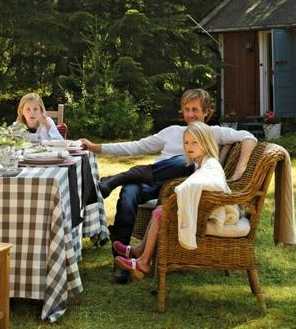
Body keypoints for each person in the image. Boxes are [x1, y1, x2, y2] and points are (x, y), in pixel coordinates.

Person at [81, 88, 257, 283]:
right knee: (129, 192)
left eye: (196, 110)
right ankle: (120, 263)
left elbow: (248, 137)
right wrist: (95, 147)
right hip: (150, 182)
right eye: (187, 109)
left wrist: (240, 168)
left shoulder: (212, 133)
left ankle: (114, 179)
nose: (191, 115)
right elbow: (136, 146)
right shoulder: (172, 132)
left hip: (175, 186)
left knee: (184, 160)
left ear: (206, 112)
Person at [113, 121, 239, 279]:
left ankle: (143, 263)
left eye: (194, 142)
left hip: (211, 214)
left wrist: (189, 186)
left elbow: (215, 184)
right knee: (160, 211)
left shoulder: (211, 164)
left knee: (161, 213)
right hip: (205, 208)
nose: (189, 146)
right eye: (186, 142)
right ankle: (139, 251)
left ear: (206, 142)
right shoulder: (201, 162)